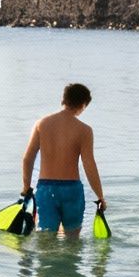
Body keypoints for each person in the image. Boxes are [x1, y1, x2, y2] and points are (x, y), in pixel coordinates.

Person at [22, 83, 106, 238]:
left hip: (46, 190)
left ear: (64, 100)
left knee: (46, 239)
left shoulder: (42, 124)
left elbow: (28, 158)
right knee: (73, 240)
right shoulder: (84, 130)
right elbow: (89, 165)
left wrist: (26, 188)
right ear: (83, 105)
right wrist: (100, 196)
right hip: (71, 190)